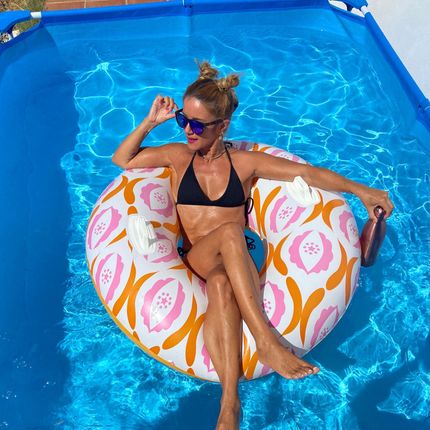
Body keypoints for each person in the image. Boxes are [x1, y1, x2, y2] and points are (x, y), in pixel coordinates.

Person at [112, 61, 394, 430]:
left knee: (222, 281)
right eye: (183, 120)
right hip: (198, 257)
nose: (188, 131)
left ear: (223, 126)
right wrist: (151, 122)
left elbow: (307, 174)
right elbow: (122, 159)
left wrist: (361, 191)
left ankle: (229, 403)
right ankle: (265, 340)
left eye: (197, 125)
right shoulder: (178, 157)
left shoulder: (243, 163)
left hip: (237, 260)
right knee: (230, 233)